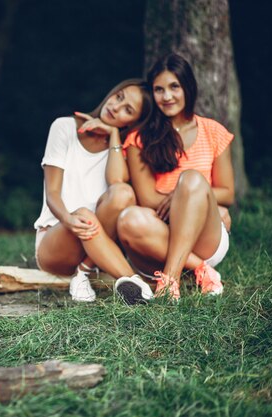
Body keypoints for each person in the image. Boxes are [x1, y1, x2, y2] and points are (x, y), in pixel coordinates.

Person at [114, 53, 235, 304]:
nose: (167, 97)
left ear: (187, 87)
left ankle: (169, 281)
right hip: (155, 237)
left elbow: (227, 192)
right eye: (159, 89)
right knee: (128, 220)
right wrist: (180, 198)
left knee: (190, 179)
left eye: (174, 87)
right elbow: (147, 197)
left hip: (203, 236)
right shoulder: (139, 138)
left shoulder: (213, 131)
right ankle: (199, 270)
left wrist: (189, 195)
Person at [34, 79, 152, 302]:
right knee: (84, 215)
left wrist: (113, 135)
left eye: (128, 110)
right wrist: (68, 219)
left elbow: (117, 183)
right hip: (58, 238)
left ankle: (82, 272)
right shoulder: (64, 127)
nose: (116, 107)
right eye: (119, 97)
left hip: (97, 242)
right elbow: (52, 194)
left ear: (134, 122)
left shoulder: (123, 150)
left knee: (123, 193)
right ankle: (136, 283)